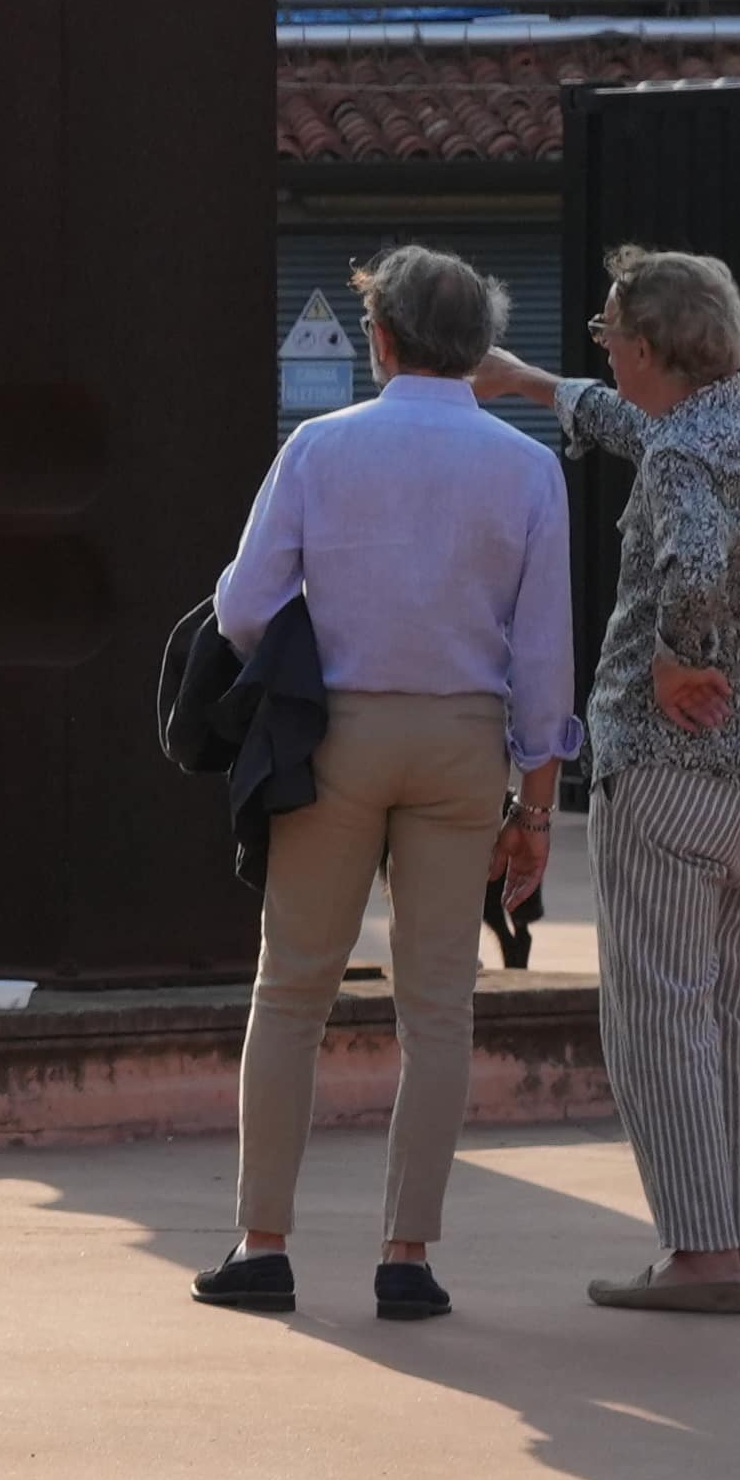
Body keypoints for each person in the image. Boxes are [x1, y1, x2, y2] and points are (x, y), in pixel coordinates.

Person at [195, 247, 574, 1324]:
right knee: (439, 1008)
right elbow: (545, 653)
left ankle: (263, 1244)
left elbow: (243, 608)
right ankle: (407, 1255)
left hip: (337, 735)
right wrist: (535, 806)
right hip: (464, 744)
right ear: (480, 347)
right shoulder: (526, 467)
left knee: (292, 991)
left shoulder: (320, 447)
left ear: (383, 339)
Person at [478, 251, 740, 1313]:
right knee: (728, 1007)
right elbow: (642, 433)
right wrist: (528, 382)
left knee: (655, 1015)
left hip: (666, 770)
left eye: (609, 330)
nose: (604, 344)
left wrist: (677, 652)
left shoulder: (680, 458)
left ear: (648, 345)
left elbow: (694, 555)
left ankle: (697, 1256)